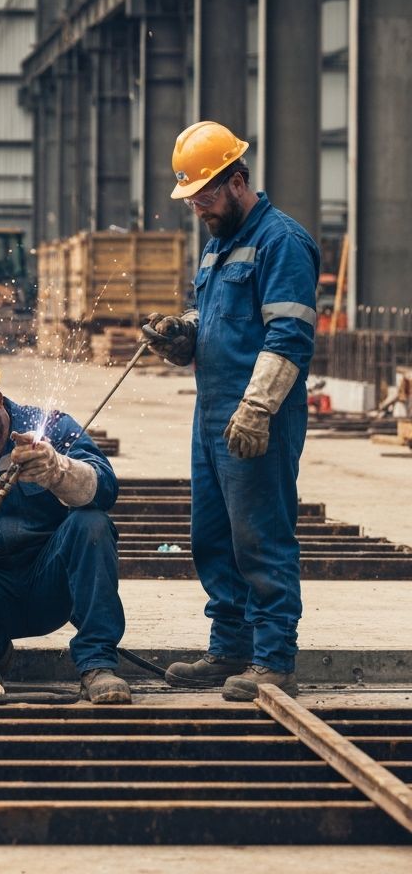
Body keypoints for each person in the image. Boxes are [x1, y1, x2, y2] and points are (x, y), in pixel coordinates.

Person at [143, 120, 319, 701]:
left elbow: (288, 336)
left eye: (206, 194)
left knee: (260, 537)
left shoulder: (281, 242)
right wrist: (181, 334)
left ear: (238, 180)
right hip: (212, 415)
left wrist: (258, 410)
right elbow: (219, 324)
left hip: (257, 418)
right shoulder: (219, 242)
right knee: (212, 536)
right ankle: (230, 648)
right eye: (192, 197)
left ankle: (274, 659)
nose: (198, 207)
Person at [0, 347, 132, 704]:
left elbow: (106, 490)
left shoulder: (53, 428)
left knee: (91, 523)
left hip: (54, 582)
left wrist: (59, 471)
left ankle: (97, 664)